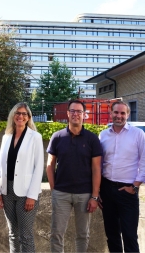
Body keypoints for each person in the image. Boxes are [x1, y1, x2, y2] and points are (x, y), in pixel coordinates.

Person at [46, 99, 102, 253]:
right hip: (61, 193)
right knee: (56, 234)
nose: (76, 114)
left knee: (83, 235)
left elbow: (97, 168)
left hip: (84, 194)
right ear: (68, 113)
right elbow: (50, 164)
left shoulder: (92, 139)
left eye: (79, 111)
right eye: (73, 111)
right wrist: (54, 189)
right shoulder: (57, 137)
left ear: (84, 115)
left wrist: (95, 196)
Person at [99, 101, 145, 253]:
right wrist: (98, 191)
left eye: (123, 113)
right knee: (112, 235)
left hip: (127, 191)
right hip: (107, 190)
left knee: (129, 236)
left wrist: (135, 186)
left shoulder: (138, 134)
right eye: (116, 112)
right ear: (111, 113)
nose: (119, 116)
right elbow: (99, 164)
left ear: (128, 115)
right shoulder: (103, 135)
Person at [0, 102, 44, 253]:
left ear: (29, 117)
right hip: (7, 191)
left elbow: (39, 167)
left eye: (24, 114)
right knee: (13, 235)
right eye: (17, 113)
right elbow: (0, 166)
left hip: (26, 192)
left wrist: (32, 196)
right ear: (13, 116)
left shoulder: (35, 137)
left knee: (26, 235)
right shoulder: (6, 137)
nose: (20, 116)